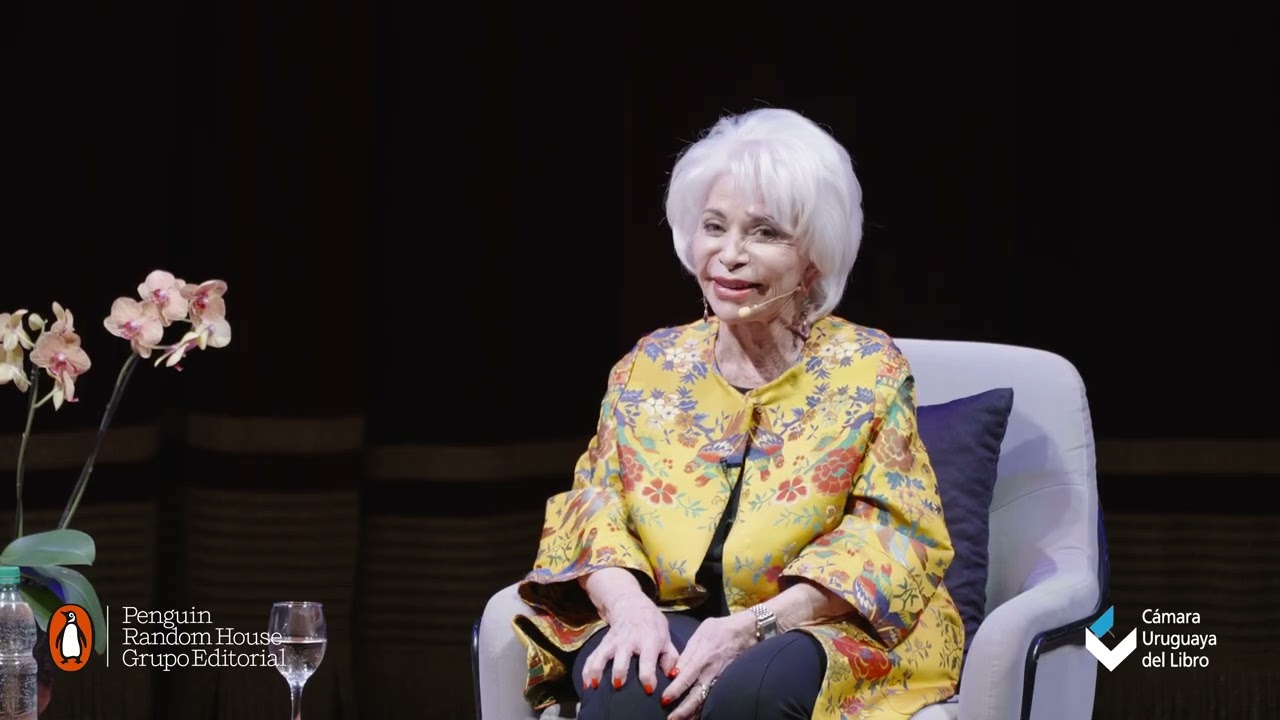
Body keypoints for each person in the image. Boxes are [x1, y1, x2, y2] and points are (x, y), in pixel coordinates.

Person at [514, 108, 963, 720]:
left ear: (813, 257)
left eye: (764, 233)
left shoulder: (867, 368)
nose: (729, 255)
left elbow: (894, 533)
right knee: (627, 683)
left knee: (753, 691)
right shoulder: (650, 365)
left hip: (816, 625)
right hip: (670, 612)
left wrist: (755, 626)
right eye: (714, 227)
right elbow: (594, 509)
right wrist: (630, 609)